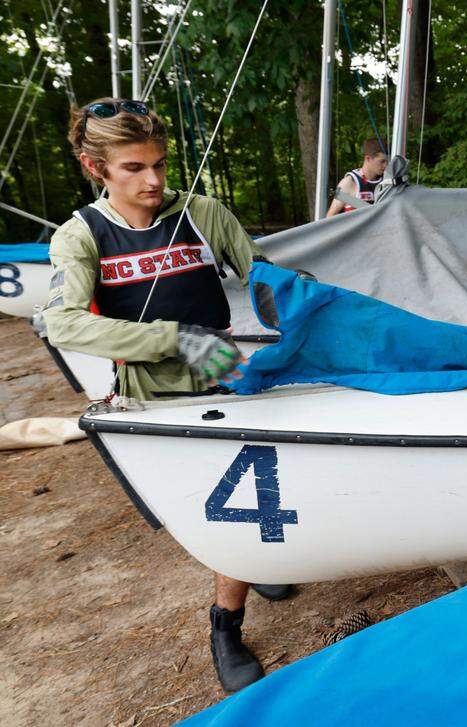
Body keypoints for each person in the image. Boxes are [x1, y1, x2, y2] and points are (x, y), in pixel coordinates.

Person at [40, 98, 293, 693]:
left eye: (159, 163)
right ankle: (225, 625)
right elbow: (65, 323)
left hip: (227, 373)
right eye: (133, 167)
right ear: (94, 166)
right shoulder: (80, 236)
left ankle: (258, 564)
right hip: (155, 395)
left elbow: (259, 274)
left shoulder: (202, 211)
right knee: (226, 512)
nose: (153, 180)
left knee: (264, 490)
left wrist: (291, 294)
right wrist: (175, 339)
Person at [325, 137, 389, 216]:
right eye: (382, 161)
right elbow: (330, 217)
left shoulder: (387, 182)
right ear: (368, 159)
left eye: (387, 161)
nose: (386, 165)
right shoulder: (349, 182)